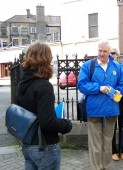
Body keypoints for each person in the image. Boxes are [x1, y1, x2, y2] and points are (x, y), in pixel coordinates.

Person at [17, 41, 72, 170]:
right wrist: (66, 124)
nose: (52, 61)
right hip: (44, 146)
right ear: (44, 60)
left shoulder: (23, 83)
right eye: (50, 58)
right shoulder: (43, 86)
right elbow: (48, 122)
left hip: (28, 143)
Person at [77, 40, 123, 170]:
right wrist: (99, 88)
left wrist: (119, 91)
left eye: (105, 51)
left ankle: (107, 167)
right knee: (95, 145)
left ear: (110, 52)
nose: (102, 54)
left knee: (108, 143)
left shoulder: (116, 66)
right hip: (94, 111)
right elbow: (81, 85)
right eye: (100, 51)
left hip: (111, 110)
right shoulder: (88, 66)